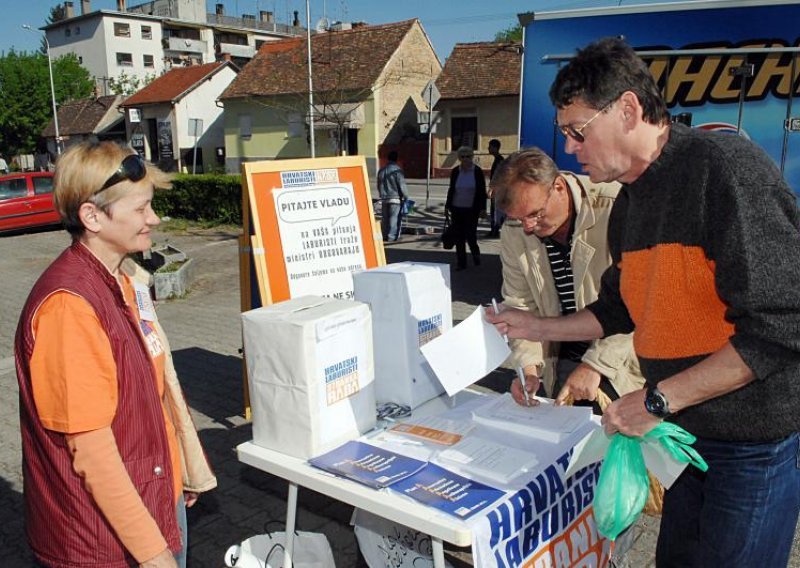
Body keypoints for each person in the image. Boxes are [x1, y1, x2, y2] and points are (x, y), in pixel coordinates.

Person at [486, 37, 800, 566]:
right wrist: (533, 328)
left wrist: (657, 399)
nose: (570, 151)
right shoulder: (633, 202)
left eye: (577, 132)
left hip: (748, 445)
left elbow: (780, 328)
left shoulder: (722, 170)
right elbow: (617, 310)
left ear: (628, 109)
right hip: (683, 436)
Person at [15, 141, 217, 567]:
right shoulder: (69, 306)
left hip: (153, 497)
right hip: (104, 544)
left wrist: (179, 465)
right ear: (92, 216)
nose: (154, 219)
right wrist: (154, 555)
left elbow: (152, 393)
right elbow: (91, 451)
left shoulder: (122, 280)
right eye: (141, 208)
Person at [491, 147, 643, 412]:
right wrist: (527, 368)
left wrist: (597, 365)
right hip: (563, 356)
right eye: (518, 218)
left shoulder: (616, 207)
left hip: (623, 356)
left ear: (559, 186)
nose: (527, 227)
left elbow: (640, 304)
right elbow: (520, 305)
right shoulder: (515, 230)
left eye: (535, 213)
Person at [446, 146, 487, 270]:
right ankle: (461, 263)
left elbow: (481, 191)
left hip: (472, 209)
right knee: (459, 237)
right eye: (462, 157)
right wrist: (448, 205)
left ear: (472, 157)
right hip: (457, 208)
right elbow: (452, 189)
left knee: (470, 235)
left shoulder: (477, 171)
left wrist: (483, 208)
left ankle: (475, 253)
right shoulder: (455, 171)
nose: (465, 159)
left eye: (468, 156)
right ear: (459, 158)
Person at [377, 150, 407, 242]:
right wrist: (406, 196)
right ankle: (391, 236)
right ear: (396, 159)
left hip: (384, 198)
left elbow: (379, 184)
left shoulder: (381, 170)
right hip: (395, 198)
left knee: (385, 218)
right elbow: (402, 185)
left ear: (388, 158)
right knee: (393, 218)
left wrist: (381, 193)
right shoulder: (397, 171)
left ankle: (384, 235)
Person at [486, 139, 505, 237]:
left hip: (498, 190)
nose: (488, 149)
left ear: (495, 148)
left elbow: (497, 176)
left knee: (496, 211)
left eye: (490, 147)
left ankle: (495, 230)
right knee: (495, 210)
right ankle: (494, 230)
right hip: (497, 189)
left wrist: (491, 189)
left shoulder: (499, 160)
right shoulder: (498, 159)